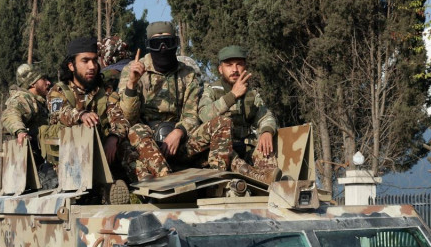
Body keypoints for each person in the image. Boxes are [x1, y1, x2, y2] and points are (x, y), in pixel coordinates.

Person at [119, 21, 232, 180]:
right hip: (146, 143)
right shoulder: (133, 70)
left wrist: (179, 132)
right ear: (149, 46)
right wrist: (132, 83)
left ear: (176, 44)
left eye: (168, 42)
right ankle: (167, 181)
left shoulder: (188, 73)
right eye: (157, 44)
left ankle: (216, 183)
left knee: (222, 122)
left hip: (180, 141)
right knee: (136, 131)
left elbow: (192, 115)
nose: (163, 48)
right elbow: (127, 117)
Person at [49, 36, 132, 203]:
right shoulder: (58, 91)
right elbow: (61, 113)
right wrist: (81, 115)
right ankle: (98, 192)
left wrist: (113, 138)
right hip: (69, 158)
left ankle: (135, 190)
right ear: (71, 66)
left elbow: (119, 118)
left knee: (131, 142)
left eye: (94, 61)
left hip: (102, 153)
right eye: (85, 61)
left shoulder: (104, 91)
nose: (92, 66)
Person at [198, 46, 282, 184]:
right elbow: (204, 115)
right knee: (229, 155)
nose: (235, 69)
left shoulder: (251, 94)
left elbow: (266, 116)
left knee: (266, 152)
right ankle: (253, 175)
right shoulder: (211, 90)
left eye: (239, 64)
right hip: (219, 149)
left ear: (245, 67)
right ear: (220, 69)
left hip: (245, 146)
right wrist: (233, 95)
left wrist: (267, 131)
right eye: (229, 65)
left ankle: (269, 183)